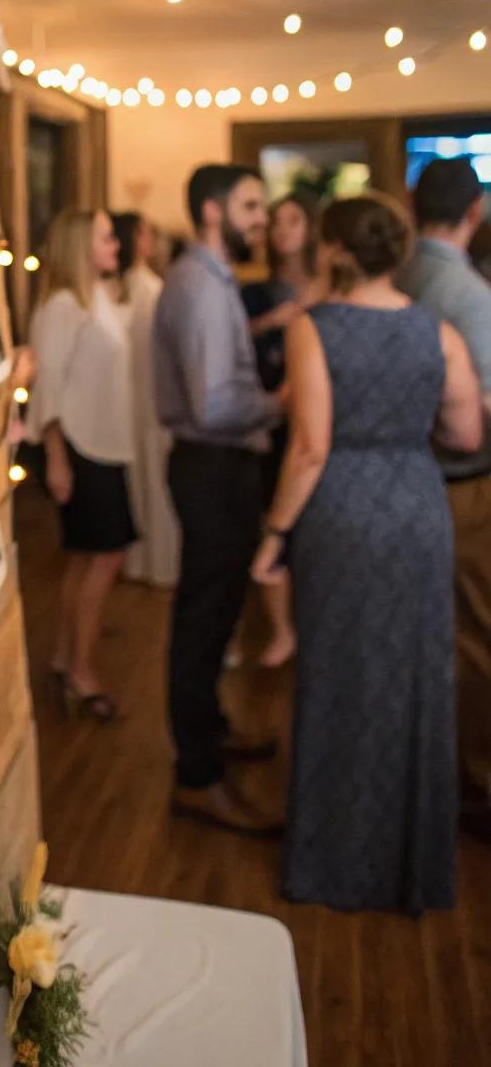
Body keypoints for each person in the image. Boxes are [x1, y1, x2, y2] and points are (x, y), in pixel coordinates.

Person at [253, 195, 481, 911]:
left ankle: (334, 859)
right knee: (415, 676)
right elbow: (468, 433)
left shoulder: (313, 329)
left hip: (343, 510)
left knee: (337, 672)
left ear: (334, 251)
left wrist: (273, 535)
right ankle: (409, 859)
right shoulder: (438, 331)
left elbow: (312, 446)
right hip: (416, 503)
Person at [154, 164, 284, 834]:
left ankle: (211, 733)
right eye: (252, 206)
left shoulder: (211, 278)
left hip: (221, 465)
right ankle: (197, 777)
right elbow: (213, 402)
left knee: (217, 613)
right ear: (213, 212)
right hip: (212, 464)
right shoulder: (201, 286)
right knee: (203, 622)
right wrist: (283, 400)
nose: (262, 218)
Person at [399, 157, 491, 837]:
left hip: (405, 481)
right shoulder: (466, 290)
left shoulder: (400, 275)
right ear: (475, 212)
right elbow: (477, 414)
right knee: (473, 638)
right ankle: (475, 785)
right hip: (461, 485)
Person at [28, 208, 137, 721]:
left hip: (105, 443)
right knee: (103, 557)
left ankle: (65, 657)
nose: (116, 242)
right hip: (80, 448)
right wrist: (55, 459)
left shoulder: (98, 298)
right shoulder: (61, 306)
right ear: (80, 245)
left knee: (84, 559)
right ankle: (82, 669)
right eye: (106, 236)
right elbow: (47, 386)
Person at [241, 193, 325, 667]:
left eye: (293, 220)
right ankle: (280, 629)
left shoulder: (330, 286)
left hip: (316, 416)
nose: (283, 230)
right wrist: (272, 321)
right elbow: (237, 345)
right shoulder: (257, 290)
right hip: (272, 416)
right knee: (274, 517)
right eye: (276, 223)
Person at [111, 211, 180, 588]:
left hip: (131, 400)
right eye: (146, 233)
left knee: (142, 478)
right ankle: (161, 563)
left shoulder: (124, 289)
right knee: (155, 479)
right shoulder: (148, 290)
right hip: (151, 397)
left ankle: (142, 561)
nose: (151, 240)